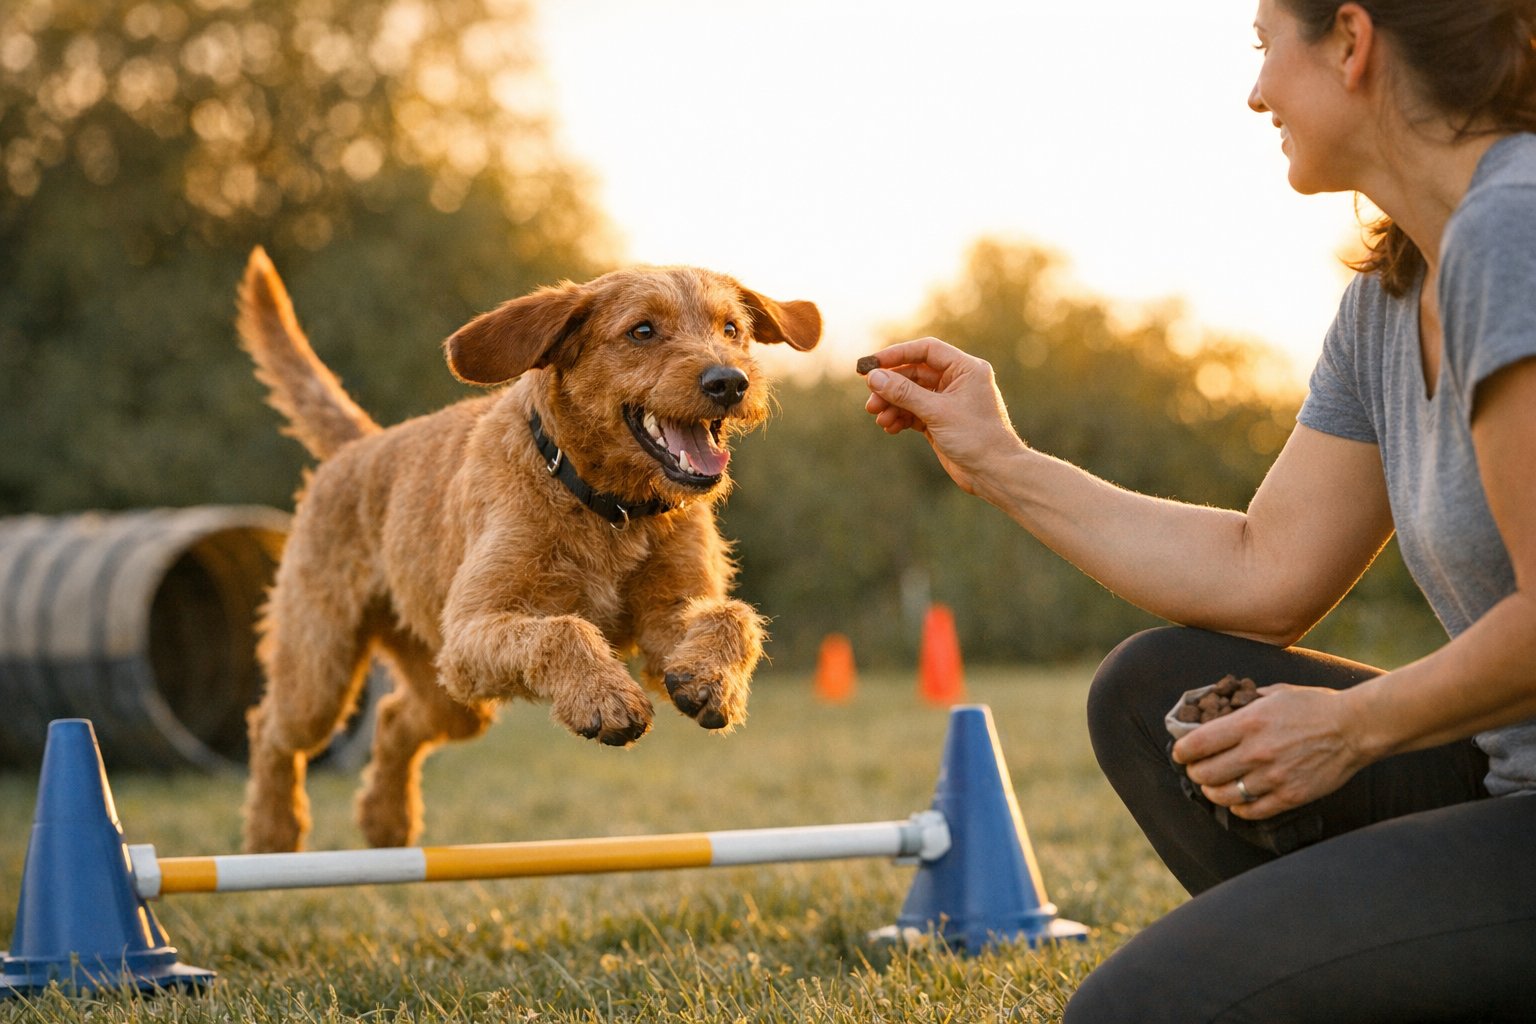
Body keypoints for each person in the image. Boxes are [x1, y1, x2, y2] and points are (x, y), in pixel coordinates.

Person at [861, 1, 1536, 1019]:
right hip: (1511, 779)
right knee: (1152, 691)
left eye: (1266, 47)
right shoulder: (1392, 299)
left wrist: (1353, 727)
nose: (1256, 89)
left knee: (1141, 1009)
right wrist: (1000, 460)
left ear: (1351, 43)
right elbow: (1264, 571)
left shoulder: (1514, 228)